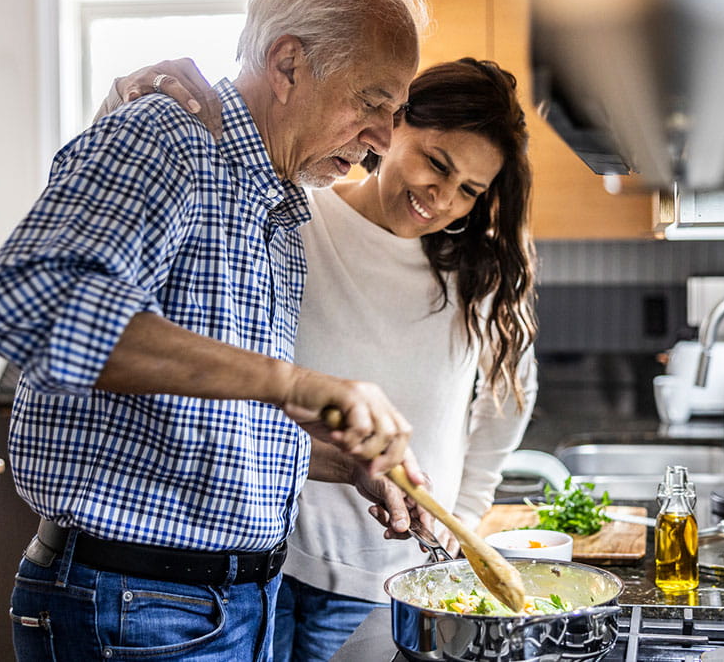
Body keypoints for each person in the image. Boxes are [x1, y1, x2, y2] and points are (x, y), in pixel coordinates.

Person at [0, 0, 431, 660]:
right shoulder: (168, 135)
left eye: (395, 112)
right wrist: (295, 384)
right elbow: (30, 303)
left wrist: (345, 461)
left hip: (233, 603)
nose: (384, 139)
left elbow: (204, 421)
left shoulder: (276, 208)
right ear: (288, 64)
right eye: (371, 103)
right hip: (138, 606)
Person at [102, 56, 539, 660]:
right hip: (262, 565)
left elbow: (507, 407)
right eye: (436, 163)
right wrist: (119, 111)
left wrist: (461, 522)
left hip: (395, 579)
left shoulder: (480, 273)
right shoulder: (297, 215)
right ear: (393, 125)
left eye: (470, 189)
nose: (442, 199)